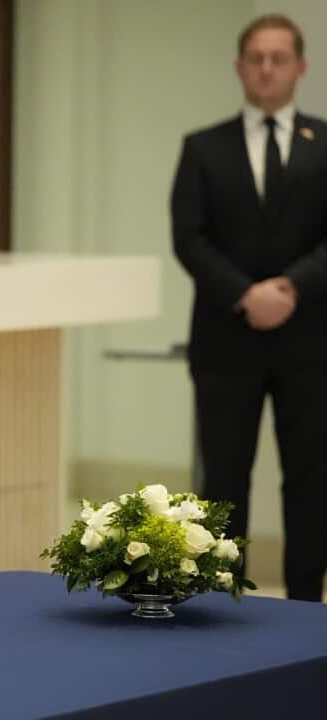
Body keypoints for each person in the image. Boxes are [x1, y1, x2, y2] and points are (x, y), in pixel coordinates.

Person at [171, 14, 327, 602]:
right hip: (226, 341)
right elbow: (188, 237)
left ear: (300, 68)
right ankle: (223, 603)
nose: (266, 68)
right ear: (240, 67)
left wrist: (289, 289)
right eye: (255, 57)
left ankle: (310, 607)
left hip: (311, 339)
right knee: (225, 481)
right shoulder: (203, 149)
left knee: (311, 479)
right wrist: (246, 294)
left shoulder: (326, 143)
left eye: (278, 57)